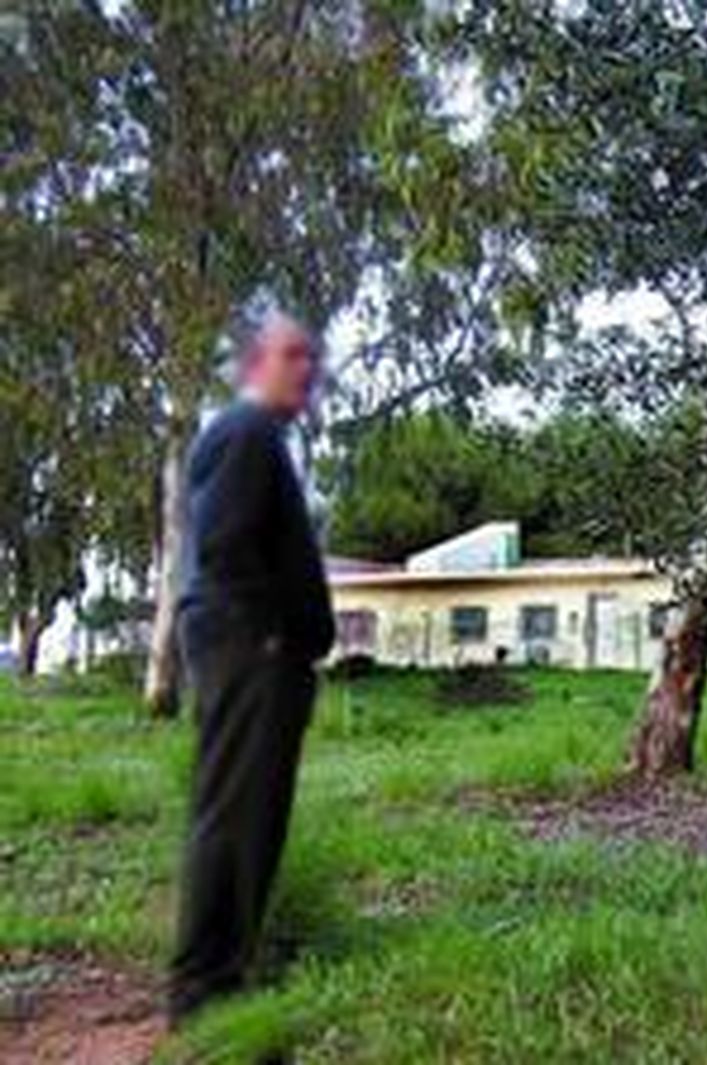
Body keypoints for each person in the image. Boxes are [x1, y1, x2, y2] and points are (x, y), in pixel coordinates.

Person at [169, 310, 335, 1023]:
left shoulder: (259, 438)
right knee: (235, 815)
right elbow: (225, 546)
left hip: (258, 652)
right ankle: (205, 987)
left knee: (251, 814)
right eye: (293, 354)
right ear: (252, 365)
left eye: (313, 357)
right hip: (249, 650)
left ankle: (228, 965)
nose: (308, 368)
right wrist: (269, 638)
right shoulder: (244, 432)